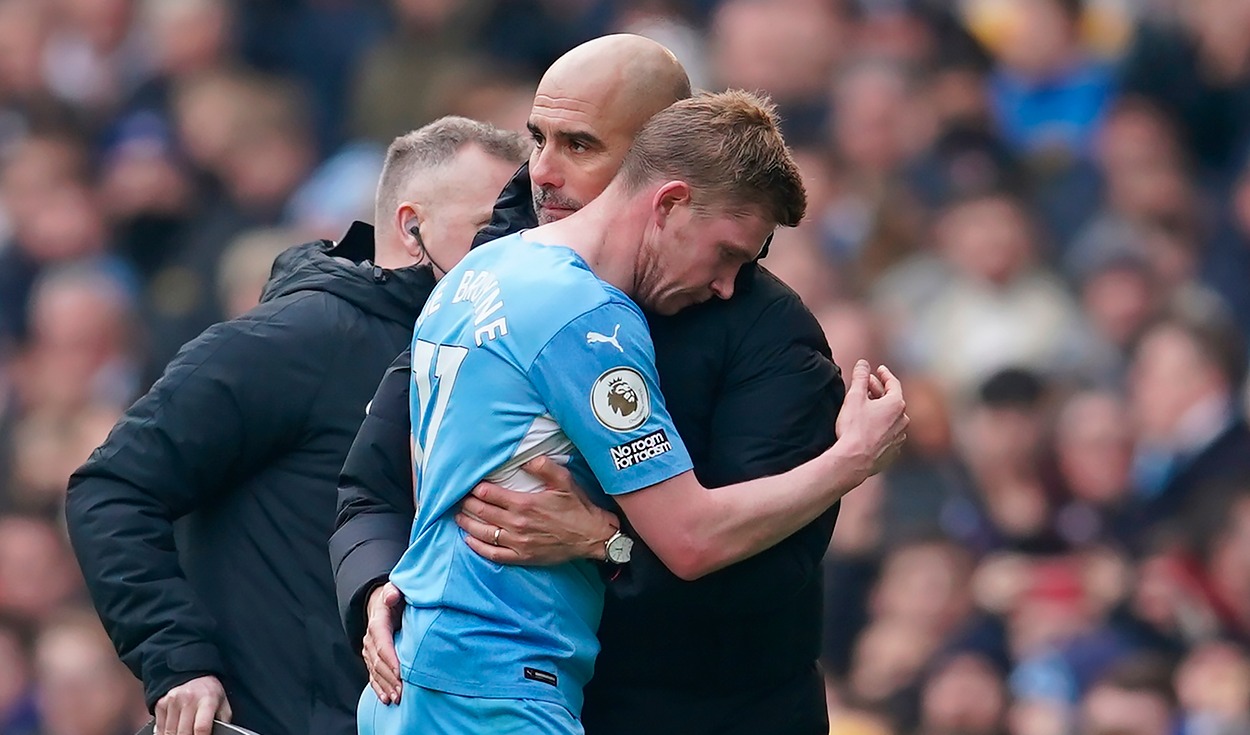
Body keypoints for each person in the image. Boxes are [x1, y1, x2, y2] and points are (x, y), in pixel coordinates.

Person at [332, 34, 902, 735]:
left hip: (478, 681)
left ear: (651, 155)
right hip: (502, 688)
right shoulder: (586, 314)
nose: (540, 169)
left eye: (578, 144)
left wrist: (603, 541)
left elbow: (768, 583)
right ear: (666, 194)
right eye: (537, 138)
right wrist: (852, 460)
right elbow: (690, 537)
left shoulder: (486, 273)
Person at [63, 116, 530, 735]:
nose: (507, 250)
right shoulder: (296, 339)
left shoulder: (491, 352)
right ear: (410, 226)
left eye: (518, 230)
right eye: (485, 230)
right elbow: (112, 487)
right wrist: (176, 661)